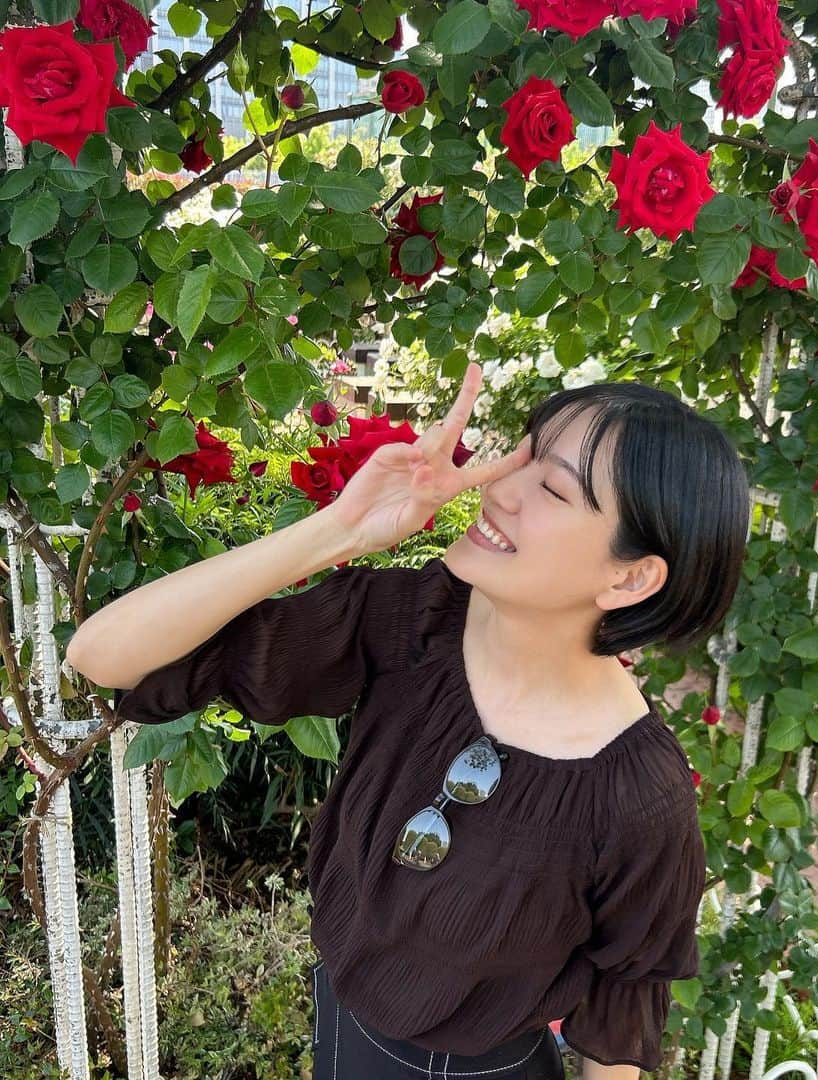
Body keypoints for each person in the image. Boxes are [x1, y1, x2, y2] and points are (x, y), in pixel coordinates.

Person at [67, 362, 749, 1079]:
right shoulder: (413, 624)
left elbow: (623, 1002)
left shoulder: (640, 798)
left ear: (631, 576)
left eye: (551, 488)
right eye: (522, 455)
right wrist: (341, 529)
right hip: (340, 1021)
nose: (500, 489)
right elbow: (106, 656)